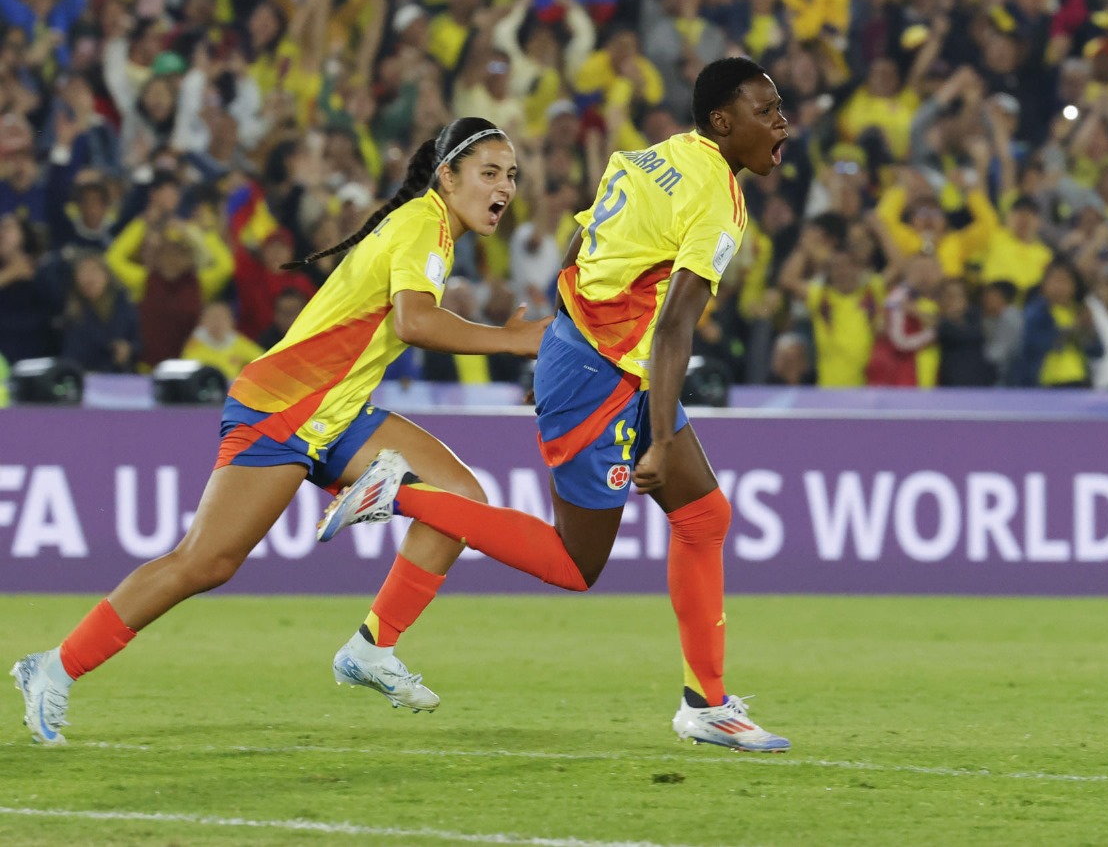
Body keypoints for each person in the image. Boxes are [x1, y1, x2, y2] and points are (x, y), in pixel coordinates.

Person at [11, 117, 549, 744]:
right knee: (205, 562)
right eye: (489, 172)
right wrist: (510, 340)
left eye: (510, 175)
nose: (504, 186)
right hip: (285, 407)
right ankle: (53, 666)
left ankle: (372, 648)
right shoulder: (423, 224)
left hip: (335, 411)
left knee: (461, 498)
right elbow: (414, 323)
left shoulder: (432, 230)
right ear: (447, 176)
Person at [317, 58, 792, 752]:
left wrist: (570, 321)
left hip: (597, 357)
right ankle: (402, 494)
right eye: (766, 110)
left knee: (703, 515)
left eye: (780, 108)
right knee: (575, 564)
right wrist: (659, 435)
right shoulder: (718, 198)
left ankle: (707, 703)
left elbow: (582, 240)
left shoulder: (651, 158)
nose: (782, 122)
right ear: (723, 122)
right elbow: (676, 325)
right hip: (600, 377)